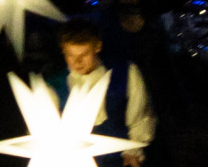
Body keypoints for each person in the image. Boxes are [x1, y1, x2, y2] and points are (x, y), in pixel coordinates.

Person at [50, 18, 155, 167]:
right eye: (70, 55)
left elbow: (141, 116)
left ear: (97, 46)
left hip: (120, 160)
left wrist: (134, 150)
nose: (77, 62)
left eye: (84, 54)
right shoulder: (54, 84)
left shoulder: (125, 72)